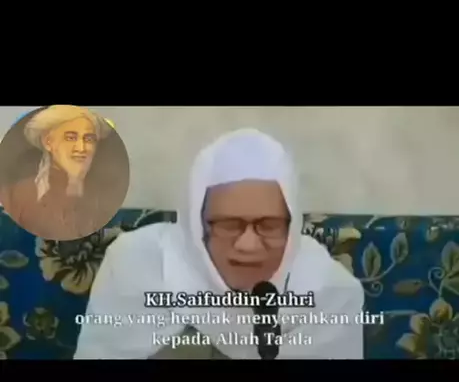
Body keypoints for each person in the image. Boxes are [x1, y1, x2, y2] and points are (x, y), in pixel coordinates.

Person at [74, 128, 364, 359]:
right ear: (196, 224)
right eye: (229, 224)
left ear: (292, 225)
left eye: (269, 225)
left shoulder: (328, 290)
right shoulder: (138, 263)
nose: (249, 245)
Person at [0, 105, 123, 241]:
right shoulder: (20, 194)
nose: (81, 148)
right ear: (48, 142)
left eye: (88, 139)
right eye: (70, 138)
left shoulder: (103, 195)